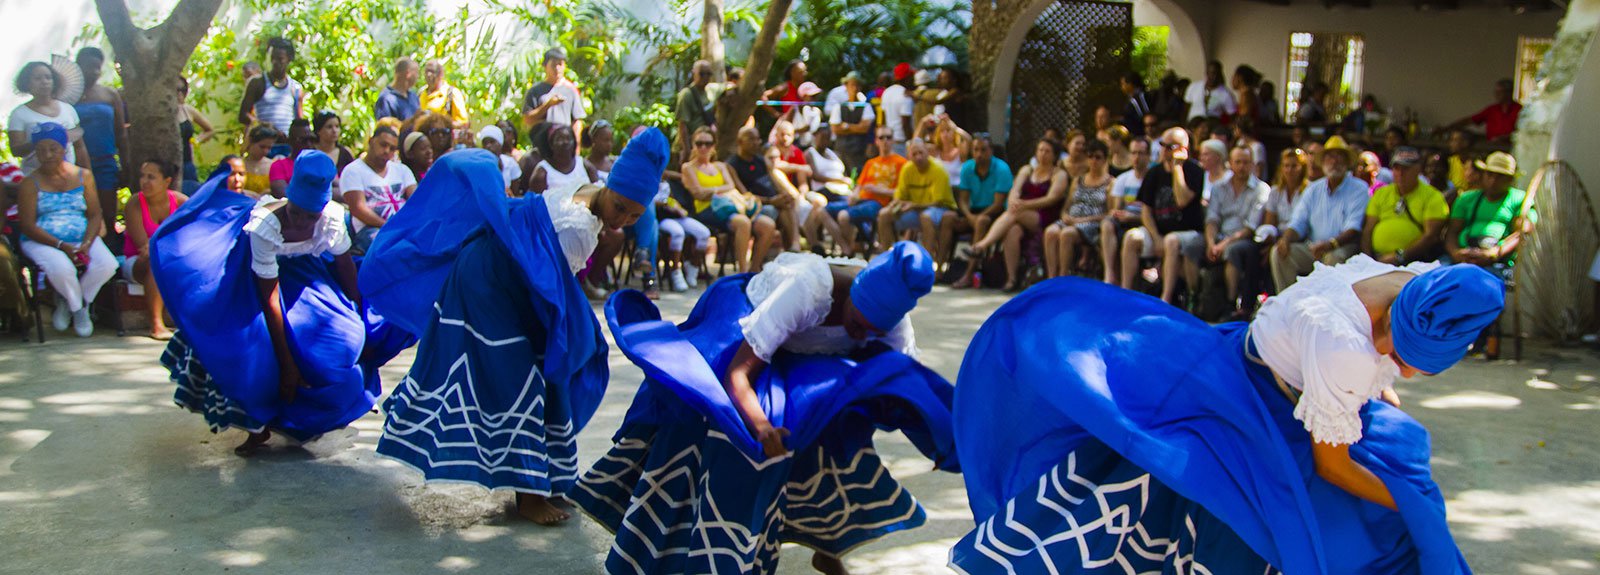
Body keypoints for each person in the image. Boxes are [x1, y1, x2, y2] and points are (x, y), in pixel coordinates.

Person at [949, 259, 1503, 574]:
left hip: (1238, 363)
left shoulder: (1411, 279)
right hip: (1255, 407)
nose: (1399, 368)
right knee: (1312, 532)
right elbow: (1333, 467)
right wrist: (1410, 499)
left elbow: (1363, 373)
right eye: (1399, 355)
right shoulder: (1345, 347)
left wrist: (1375, 386)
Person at [573, 241, 956, 575]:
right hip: (740, 329)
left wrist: (936, 436)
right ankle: (676, 547)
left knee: (833, 425)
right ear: (853, 294)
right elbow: (738, 374)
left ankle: (828, 547)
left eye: (873, 331)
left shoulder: (890, 323)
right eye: (858, 324)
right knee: (708, 421)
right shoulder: (806, 291)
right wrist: (760, 426)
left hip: (804, 355)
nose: (863, 336)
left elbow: (901, 385)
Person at [361, 130, 663, 526]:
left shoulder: (588, 191)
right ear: (610, 189)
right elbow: (547, 295)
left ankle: (543, 479)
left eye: (634, 217)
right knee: (526, 377)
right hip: (489, 282)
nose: (622, 220)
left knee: (544, 370)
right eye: (620, 207)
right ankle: (529, 494)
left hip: (504, 274)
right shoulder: (580, 231)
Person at [156, 150, 406, 455]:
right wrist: (287, 366)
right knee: (252, 349)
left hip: (309, 274)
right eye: (296, 212)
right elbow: (269, 298)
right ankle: (255, 426)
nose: (301, 221)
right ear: (289, 199)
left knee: (345, 341)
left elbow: (345, 271)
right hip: (253, 281)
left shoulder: (330, 218)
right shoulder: (265, 226)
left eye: (309, 215)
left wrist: (359, 317)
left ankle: (309, 418)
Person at [15, 123, 115, 338]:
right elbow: (27, 225)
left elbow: (95, 214)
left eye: (53, 148)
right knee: (62, 269)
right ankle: (79, 310)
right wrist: (61, 245)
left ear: (64, 148)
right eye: (41, 150)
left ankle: (71, 301)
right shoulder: (29, 183)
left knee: (108, 265)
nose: (47, 154)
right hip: (42, 240)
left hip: (81, 236)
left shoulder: (83, 175)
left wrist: (87, 244)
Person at [964, 138, 1068, 292]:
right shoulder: (1027, 170)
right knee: (1012, 232)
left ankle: (982, 245)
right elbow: (1014, 190)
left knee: (1015, 213)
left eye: (1047, 151)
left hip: (1044, 216)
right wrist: (1014, 201)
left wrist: (1023, 205)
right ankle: (1011, 279)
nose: (1043, 154)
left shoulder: (1059, 174)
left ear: (1055, 155)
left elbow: (1052, 198)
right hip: (1019, 213)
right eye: (1040, 150)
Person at [1271, 137, 1368, 291]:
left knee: (1333, 258)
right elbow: (1298, 222)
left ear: (1347, 162)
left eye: (1339, 156)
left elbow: (1353, 228)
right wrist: (1286, 238)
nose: (1335, 161)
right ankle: (1287, 302)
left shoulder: (1359, 188)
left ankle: (1326, 307)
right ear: (1322, 162)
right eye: (1330, 157)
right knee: (1279, 252)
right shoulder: (1313, 189)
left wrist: (1330, 244)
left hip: (1342, 246)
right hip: (1314, 247)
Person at [1121, 127, 1205, 299]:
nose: (1164, 150)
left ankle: (1165, 298)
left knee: (1171, 241)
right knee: (1132, 237)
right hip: (1158, 232)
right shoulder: (1154, 172)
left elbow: (1182, 200)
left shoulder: (1195, 171)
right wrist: (1155, 236)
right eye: (1162, 145)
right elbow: (1146, 211)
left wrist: (1177, 169)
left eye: (1169, 146)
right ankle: (1125, 293)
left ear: (1182, 149)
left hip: (1186, 233)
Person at [683, 127, 779, 273]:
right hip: (707, 210)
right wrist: (718, 189)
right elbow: (698, 194)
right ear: (693, 145)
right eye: (699, 143)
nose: (703, 147)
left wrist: (710, 190)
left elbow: (730, 185)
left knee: (768, 225)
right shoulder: (688, 167)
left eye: (707, 143)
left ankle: (754, 269)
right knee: (743, 222)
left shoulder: (720, 166)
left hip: (731, 207)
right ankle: (742, 271)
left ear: (714, 145)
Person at [121, 159, 189, 340]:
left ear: (167, 181)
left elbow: (192, 238)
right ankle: (156, 324)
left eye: (151, 177)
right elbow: (144, 247)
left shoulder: (182, 202)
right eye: (142, 176)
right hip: (137, 263)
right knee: (155, 260)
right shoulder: (135, 203)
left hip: (172, 261)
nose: (145, 181)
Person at [1205, 147, 1271, 318]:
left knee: (1233, 250)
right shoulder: (1219, 188)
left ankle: (1230, 303)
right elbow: (1212, 219)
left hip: (1242, 239)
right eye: (1238, 162)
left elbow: (1251, 228)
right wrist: (1211, 243)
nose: (1242, 166)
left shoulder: (1261, 189)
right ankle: (1193, 297)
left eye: (1246, 162)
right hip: (1218, 237)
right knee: (1189, 245)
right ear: (1230, 164)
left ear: (1252, 165)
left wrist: (1223, 244)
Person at [1362, 147, 1448, 266]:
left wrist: (1400, 256)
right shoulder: (1381, 193)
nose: (1401, 173)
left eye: (1406, 168)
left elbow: (1430, 236)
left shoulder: (1433, 196)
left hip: (1414, 260)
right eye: (1397, 168)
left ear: (1418, 170)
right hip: (1377, 259)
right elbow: (1367, 231)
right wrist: (1368, 260)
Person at [879, 139, 956, 269]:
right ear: (909, 156)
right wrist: (895, 205)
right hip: (915, 210)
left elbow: (937, 202)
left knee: (926, 217)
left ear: (927, 152)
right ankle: (889, 262)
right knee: (884, 215)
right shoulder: (907, 169)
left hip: (939, 208)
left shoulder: (938, 170)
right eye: (914, 154)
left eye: (921, 153)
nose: (918, 157)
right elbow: (900, 196)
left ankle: (926, 265)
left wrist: (913, 205)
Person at [1043, 138, 1114, 279]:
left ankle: (1063, 277)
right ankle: (1051, 277)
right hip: (1072, 219)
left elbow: (1109, 213)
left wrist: (1083, 219)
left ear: (1105, 160)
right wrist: (1064, 215)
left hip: (1092, 224)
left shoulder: (1110, 183)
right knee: (1050, 232)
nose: (1094, 161)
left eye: (1098, 157)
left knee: (1066, 234)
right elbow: (1067, 206)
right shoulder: (1078, 180)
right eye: (1090, 157)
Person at [1446, 151, 1532, 267]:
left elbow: (1522, 232)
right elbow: (1452, 232)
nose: (1493, 181)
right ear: (1483, 175)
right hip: (1464, 255)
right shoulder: (1466, 198)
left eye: (1500, 176)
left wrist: (1495, 253)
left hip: (1499, 261)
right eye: (1490, 174)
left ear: (1510, 180)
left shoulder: (1519, 200)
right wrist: (1455, 253)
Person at [340, 127, 417, 254]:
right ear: (371, 141)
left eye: (392, 148)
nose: (387, 151)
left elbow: (416, 200)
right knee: (396, 250)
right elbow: (358, 209)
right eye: (383, 145)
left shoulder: (402, 170)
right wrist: (389, 227)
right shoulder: (353, 171)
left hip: (403, 227)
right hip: (370, 230)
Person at [831, 126, 904, 257]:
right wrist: (853, 195)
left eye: (889, 137)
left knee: (843, 216)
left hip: (880, 204)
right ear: (876, 141)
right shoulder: (870, 163)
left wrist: (879, 190)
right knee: (822, 210)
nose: (885, 141)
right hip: (861, 201)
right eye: (881, 137)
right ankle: (846, 248)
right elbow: (859, 185)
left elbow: (902, 192)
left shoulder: (901, 163)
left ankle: (847, 253)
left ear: (894, 140)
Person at [951, 133, 1013, 288]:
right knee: (948, 220)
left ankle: (968, 274)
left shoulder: (1002, 169)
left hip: (995, 213)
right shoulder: (967, 167)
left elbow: (999, 204)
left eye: (983, 150)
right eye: (976, 150)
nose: (979, 154)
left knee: (981, 221)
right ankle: (939, 269)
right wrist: (969, 215)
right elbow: (963, 200)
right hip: (973, 211)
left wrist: (976, 217)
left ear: (991, 150)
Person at [8, 62, 89, 176]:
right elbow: (16, 150)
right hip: (35, 179)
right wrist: (40, 139)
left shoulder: (68, 109)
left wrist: (86, 176)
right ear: (27, 83)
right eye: (37, 78)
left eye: (48, 77)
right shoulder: (19, 114)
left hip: (68, 177)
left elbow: (79, 147)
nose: (44, 82)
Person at [75, 48, 130, 199]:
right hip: (74, 165)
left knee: (108, 213)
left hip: (105, 163)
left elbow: (121, 133)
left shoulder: (110, 95)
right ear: (78, 66)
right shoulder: (67, 97)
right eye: (89, 66)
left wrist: (126, 166)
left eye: (97, 67)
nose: (93, 72)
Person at [1099, 138, 1151, 285]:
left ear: (1148, 156)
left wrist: (1134, 217)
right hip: (1125, 219)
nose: (1136, 157)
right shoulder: (1123, 178)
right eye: (1133, 153)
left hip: (1145, 221)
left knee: (1131, 237)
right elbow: (1116, 207)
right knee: (1107, 224)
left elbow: (1155, 213)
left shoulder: (1154, 177)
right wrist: (1118, 214)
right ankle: (1109, 273)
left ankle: (1126, 285)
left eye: (1141, 153)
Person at [521, 47, 587, 162]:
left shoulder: (570, 90)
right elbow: (527, 119)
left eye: (560, 64)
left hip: (565, 147)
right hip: (542, 147)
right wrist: (547, 105)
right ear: (545, 66)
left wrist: (576, 148)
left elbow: (577, 121)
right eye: (553, 65)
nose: (557, 68)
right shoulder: (535, 91)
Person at [237, 37, 303, 134]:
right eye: (273, 58)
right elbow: (243, 115)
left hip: (286, 145)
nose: (275, 62)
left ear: (289, 59)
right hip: (264, 144)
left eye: (280, 59)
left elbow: (299, 121)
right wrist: (263, 126)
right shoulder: (257, 83)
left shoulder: (295, 88)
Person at [1445, 78, 1522, 144]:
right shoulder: (1492, 110)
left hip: (1511, 147)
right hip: (1492, 145)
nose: (1496, 95)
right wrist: (1447, 128)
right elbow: (1471, 120)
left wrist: (1506, 138)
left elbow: (1524, 132)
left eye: (1500, 92)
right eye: (1496, 92)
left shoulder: (1519, 110)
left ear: (1509, 93)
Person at [829, 71, 875, 175]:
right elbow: (835, 129)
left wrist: (845, 126)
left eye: (858, 85)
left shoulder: (866, 106)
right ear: (846, 86)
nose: (855, 88)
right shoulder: (839, 106)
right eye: (852, 85)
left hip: (859, 151)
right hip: (841, 151)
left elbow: (864, 128)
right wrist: (856, 127)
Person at [529, 124, 597, 194]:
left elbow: (597, 192)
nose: (565, 142)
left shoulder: (585, 166)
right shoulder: (542, 172)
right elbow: (536, 201)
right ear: (551, 144)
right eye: (560, 139)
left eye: (569, 138)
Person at [177, 77, 215, 192]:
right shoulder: (161, 113)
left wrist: (196, 141)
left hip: (187, 164)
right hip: (168, 167)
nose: (179, 93)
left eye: (182, 90)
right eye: (176, 89)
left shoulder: (187, 110)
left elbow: (209, 130)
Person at [673, 60, 718, 159]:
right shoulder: (687, 94)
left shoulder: (711, 90)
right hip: (690, 144)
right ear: (694, 73)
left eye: (708, 74)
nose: (705, 77)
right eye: (702, 74)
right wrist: (686, 149)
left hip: (704, 145)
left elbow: (727, 86)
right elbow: (682, 124)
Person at [267, 119, 316, 199]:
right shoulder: (279, 166)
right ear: (290, 141)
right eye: (303, 140)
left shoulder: (319, 164)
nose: (309, 144)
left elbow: (339, 190)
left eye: (311, 139)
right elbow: (283, 194)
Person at [418, 59, 469, 128]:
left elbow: (463, 124)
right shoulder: (421, 94)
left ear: (441, 74)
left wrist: (441, 123)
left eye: (432, 72)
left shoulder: (451, 93)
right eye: (427, 71)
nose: (429, 75)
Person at [880, 63, 916, 155]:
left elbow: (883, 118)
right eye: (911, 77)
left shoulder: (886, 92)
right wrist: (911, 144)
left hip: (889, 140)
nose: (913, 79)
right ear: (906, 78)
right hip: (902, 142)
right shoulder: (905, 95)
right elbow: (905, 124)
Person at [477, 124, 522, 192]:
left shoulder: (510, 163)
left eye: (492, 142)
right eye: (485, 143)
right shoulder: (479, 166)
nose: (488, 146)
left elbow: (515, 192)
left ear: (500, 143)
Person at [374, 57, 420, 122]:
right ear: (408, 73)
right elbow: (385, 129)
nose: (418, 76)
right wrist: (412, 121)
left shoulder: (413, 96)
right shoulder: (386, 99)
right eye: (416, 73)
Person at [239, 125, 279, 199]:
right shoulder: (239, 165)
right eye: (262, 147)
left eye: (269, 148)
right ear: (250, 142)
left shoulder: (273, 165)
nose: (265, 151)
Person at [1119, 72, 1152, 137]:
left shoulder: (1139, 98)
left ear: (1130, 84)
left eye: (1123, 84)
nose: (1122, 87)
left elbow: (1145, 115)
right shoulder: (1132, 99)